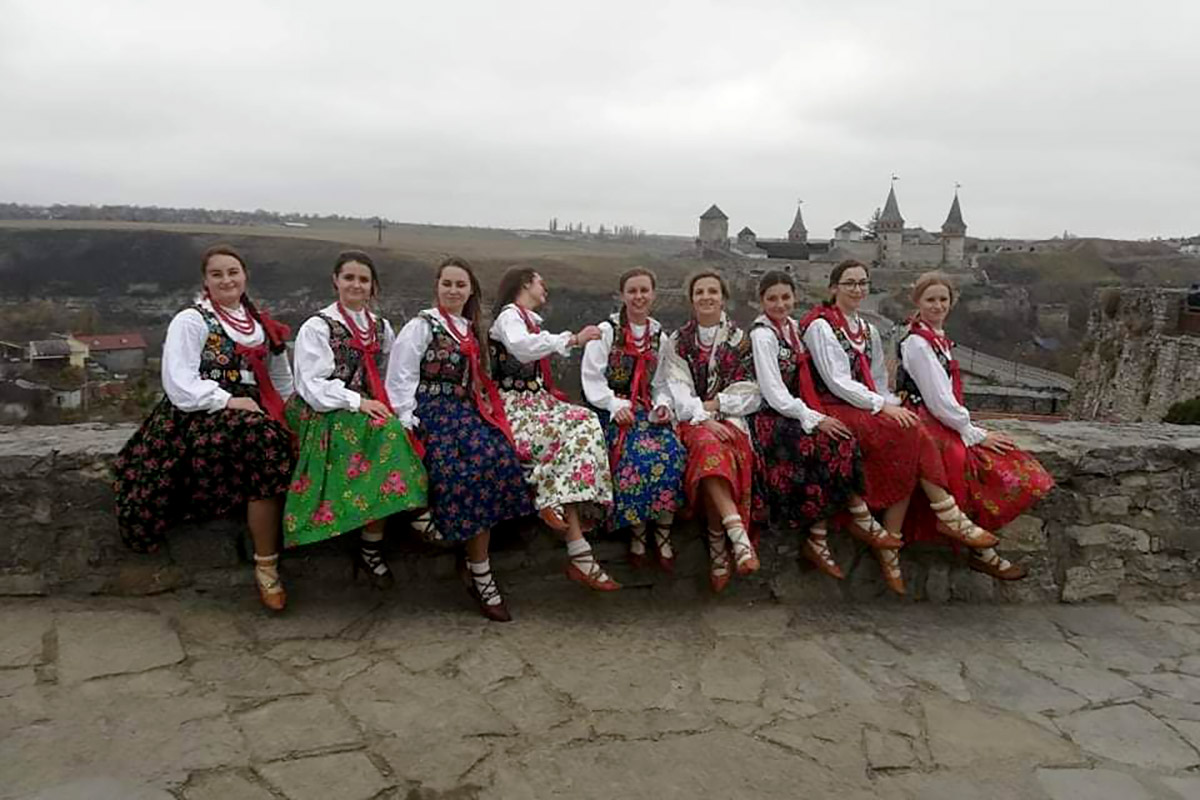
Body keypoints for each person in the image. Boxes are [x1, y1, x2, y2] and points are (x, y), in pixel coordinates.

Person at [112, 245, 295, 611]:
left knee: (287, 439)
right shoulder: (192, 320)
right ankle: (266, 565)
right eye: (217, 274)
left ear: (244, 276)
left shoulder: (260, 324)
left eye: (233, 272)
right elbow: (179, 381)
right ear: (205, 281)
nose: (227, 280)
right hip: (199, 412)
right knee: (266, 444)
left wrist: (292, 412)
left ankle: (280, 551)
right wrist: (227, 400)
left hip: (252, 410)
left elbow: (281, 377)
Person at [801, 260, 999, 595]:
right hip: (832, 406)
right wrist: (883, 407)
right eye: (849, 283)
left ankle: (906, 536)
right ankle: (947, 516)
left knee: (910, 427)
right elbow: (837, 381)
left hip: (862, 404)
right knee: (911, 432)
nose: (857, 289)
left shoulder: (867, 330)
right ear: (834, 287)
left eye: (862, 283)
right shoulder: (821, 326)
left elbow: (878, 378)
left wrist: (889, 403)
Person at [386, 257, 536, 621]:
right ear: (437, 287)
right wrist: (407, 418)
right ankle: (477, 570)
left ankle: (473, 561)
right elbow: (401, 376)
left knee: (500, 458)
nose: (453, 290)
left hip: (464, 410)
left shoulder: (469, 329)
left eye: (460, 285)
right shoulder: (421, 327)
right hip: (431, 410)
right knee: (461, 469)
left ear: (470, 291)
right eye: (447, 284)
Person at [285, 250, 430, 588]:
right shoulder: (318, 326)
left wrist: (397, 406)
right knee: (387, 432)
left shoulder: (380, 327)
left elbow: (392, 372)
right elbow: (311, 384)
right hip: (324, 406)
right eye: (349, 277)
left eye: (363, 279)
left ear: (373, 286)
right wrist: (357, 402)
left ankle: (372, 544)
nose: (356, 285)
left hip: (368, 404)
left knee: (399, 428)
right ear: (335, 281)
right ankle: (413, 513)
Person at [897, 272, 1055, 579]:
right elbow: (938, 399)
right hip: (927, 419)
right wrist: (973, 433)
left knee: (981, 464)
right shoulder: (918, 343)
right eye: (930, 300)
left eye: (943, 299)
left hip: (936, 416)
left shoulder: (934, 338)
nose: (938, 305)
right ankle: (979, 549)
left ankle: (981, 549)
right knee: (976, 464)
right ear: (917, 302)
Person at [488, 267, 619, 591]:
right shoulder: (509, 317)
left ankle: (577, 547)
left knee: (583, 423)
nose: (545, 288)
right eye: (540, 282)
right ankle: (556, 505)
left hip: (535, 403)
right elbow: (521, 347)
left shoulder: (528, 321)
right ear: (525, 284)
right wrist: (572, 339)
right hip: (514, 408)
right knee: (580, 424)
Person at [748, 270, 865, 579]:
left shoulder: (795, 329)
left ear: (794, 298)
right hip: (772, 416)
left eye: (785, 297)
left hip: (799, 410)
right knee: (821, 443)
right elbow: (774, 392)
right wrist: (814, 418)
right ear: (762, 301)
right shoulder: (763, 335)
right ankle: (835, 527)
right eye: (772, 299)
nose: (780, 304)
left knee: (842, 439)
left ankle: (822, 533)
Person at [580, 267, 686, 570]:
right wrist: (614, 405)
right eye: (632, 291)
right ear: (622, 295)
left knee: (673, 451)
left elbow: (661, 382)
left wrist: (663, 405)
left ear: (653, 294)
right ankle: (638, 532)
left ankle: (663, 530)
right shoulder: (607, 332)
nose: (639, 297)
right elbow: (592, 378)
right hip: (613, 411)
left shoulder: (660, 337)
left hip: (646, 409)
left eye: (644, 291)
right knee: (634, 454)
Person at [663, 271, 761, 593]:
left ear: (723, 298)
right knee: (708, 448)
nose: (706, 297)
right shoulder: (678, 341)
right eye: (700, 292)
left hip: (731, 416)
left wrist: (716, 405)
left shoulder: (740, 340)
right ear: (691, 300)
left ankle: (719, 541)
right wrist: (703, 417)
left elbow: (751, 390)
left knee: (724, 453)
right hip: (692, 420)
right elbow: (678, 389)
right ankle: (737, 536)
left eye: (713, 291)